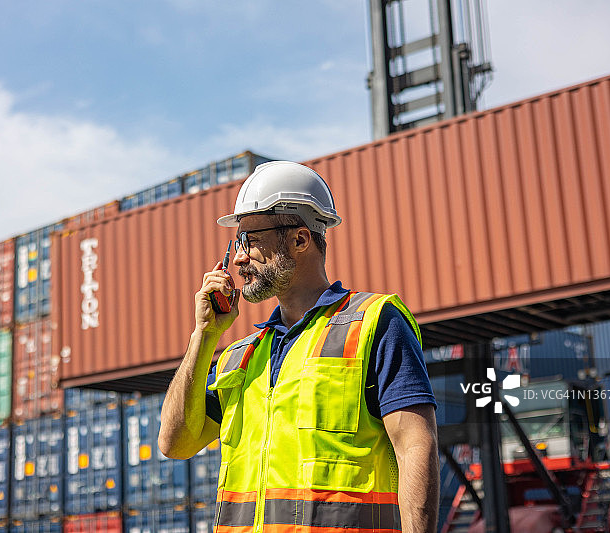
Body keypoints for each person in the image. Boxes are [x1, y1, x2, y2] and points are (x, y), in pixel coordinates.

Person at [159, 161, 439, 533]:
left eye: (250, 240)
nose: (238, 257)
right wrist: (204, 335)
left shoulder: (375, 322)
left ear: (300, 240)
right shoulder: (239, 358)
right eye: (237, 243)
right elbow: (174, 444)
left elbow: (415, 447)